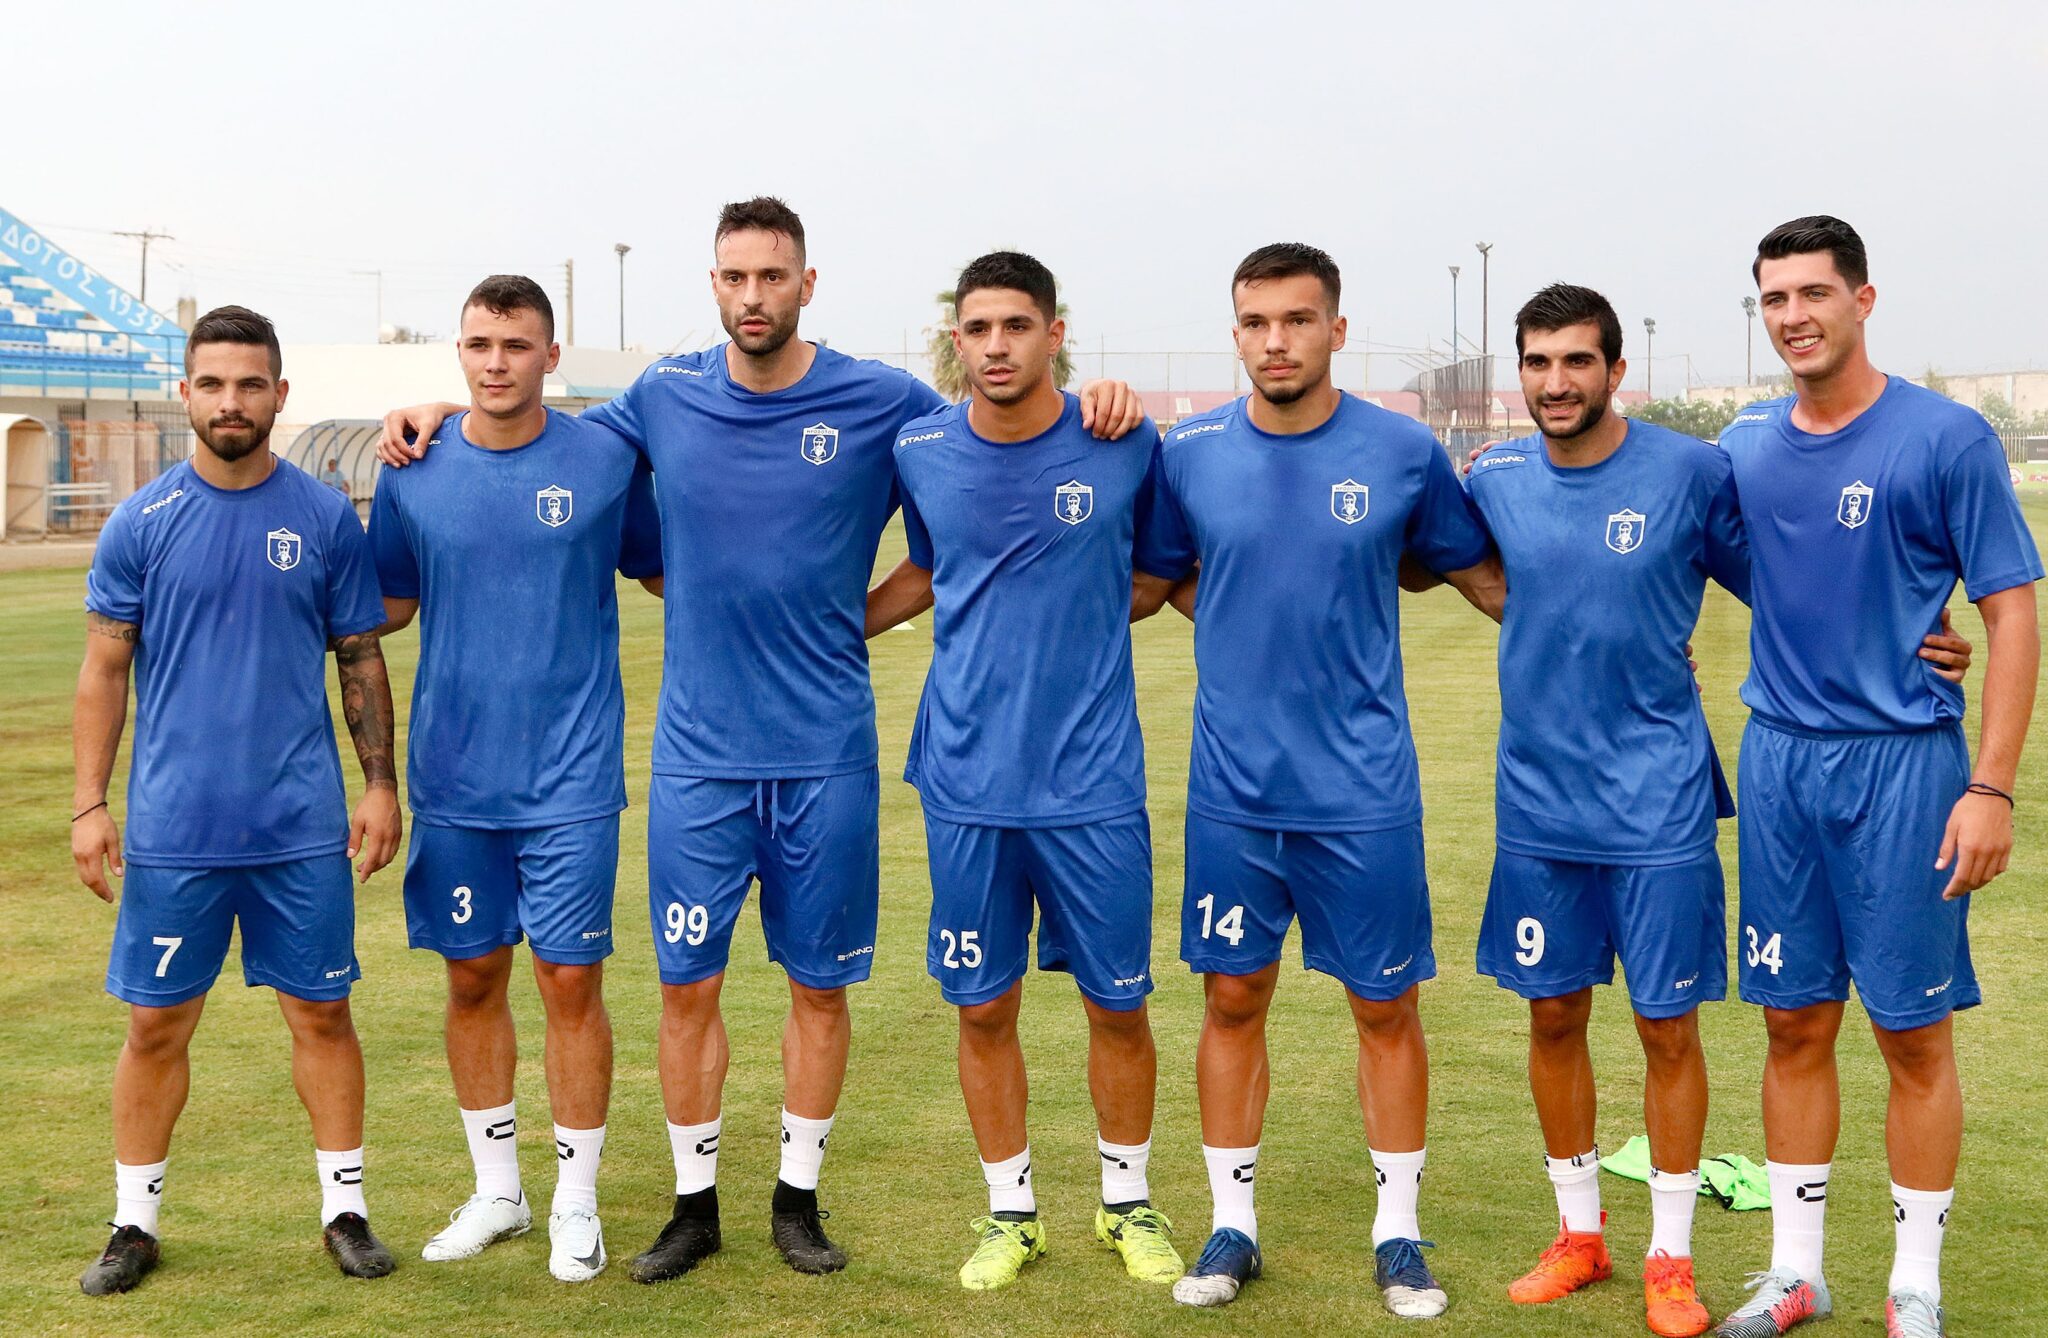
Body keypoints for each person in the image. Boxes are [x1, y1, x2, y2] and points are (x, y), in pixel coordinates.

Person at [373, 197, 1145, 1283]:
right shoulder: (663, 395)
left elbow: (983, 453)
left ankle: (796, 1199)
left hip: (827, 750)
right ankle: (693, 1208)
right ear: (713, 285)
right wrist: (442, 409)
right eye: (733, 277)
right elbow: (531, 422)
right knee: (687, 986)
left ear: (806, 285)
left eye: (771, 276)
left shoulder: (883, 402)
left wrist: (1098, 398)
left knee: (817, 987)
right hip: (697, 756)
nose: (751, 296)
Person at [1457, 284, 1975, 1338]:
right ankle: (1578, 1235)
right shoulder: (1493, 476)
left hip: (1658, 801)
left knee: (1666, 1025)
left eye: (1576, 360)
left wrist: (1915, 640)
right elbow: (1438, 559)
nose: (1555, 380)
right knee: (1551, 1015)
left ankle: (1671, 1257)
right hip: (1536, 803)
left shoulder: (1692, 471)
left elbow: (1792, 585)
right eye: (1537, 362)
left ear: (1615, 370)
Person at [1132, 243, 1504, 1317]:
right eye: (1255, 322)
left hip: (1362, 794)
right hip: (1233, 793)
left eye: (1297, 320)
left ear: (1336, 330)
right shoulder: (1189, 452)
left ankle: (1398, 1233)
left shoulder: (1400, 450)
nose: (1276, 341)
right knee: (1230, 997)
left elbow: (1482, 580)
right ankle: (1230, 1225)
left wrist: (1625, 644)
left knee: (1385, 1005)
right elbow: (1152, 581)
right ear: (1235, 333)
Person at [1712, 217, 2039, 1338]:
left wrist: (1989, 788)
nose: (1792, 316)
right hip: (1778, 767)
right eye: (1773, 298)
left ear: (1861, 299)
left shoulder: (1946, 438)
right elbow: (1730, 559)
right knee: (1792, 1025)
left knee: (1911, 1032)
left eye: (1812, 292)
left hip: (1904, 770)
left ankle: (1915, 1287)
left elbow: (2009, 611)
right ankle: (1794, 1273)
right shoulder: (1745, 445)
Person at [863, 251, 1182, 1291]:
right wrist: (834, 627)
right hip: (964, 780)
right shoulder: (920, 448)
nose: (995, 346)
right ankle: (1011, 1213)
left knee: (1117, 1004)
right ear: (955, 339)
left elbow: (1154, 578)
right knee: (981, 1005)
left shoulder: (1122, 440)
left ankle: (1126, 1203)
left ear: (1054, 333)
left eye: (1015, 326)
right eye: (977, 328)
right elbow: (928, 565)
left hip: (1091, 784)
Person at [71, 306, 402, 1294]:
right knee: (155, 1027)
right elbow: (104, 669)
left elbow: (359, 656)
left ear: (279, 394)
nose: (231, 401)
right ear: (186, 393)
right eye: (212, 383)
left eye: (250, 384)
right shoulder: (142, 524)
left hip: (299, 829)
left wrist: (380, 785)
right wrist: (89, 804)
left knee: (323, 1015)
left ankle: (345, 1211)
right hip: (176, 831)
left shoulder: (323, 517)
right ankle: (133, 1225)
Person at [367, 275, 662, 1282]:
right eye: (479, 345)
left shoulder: (605, 458)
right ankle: (499, 1192)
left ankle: (577, 1200)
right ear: (460, 352)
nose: (496, 362)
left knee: (570, 979)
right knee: (472, 976)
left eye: (516, 344)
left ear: (550, 354)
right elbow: (385, 607)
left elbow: (664, 568)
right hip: (455, 781)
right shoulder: (412, 467)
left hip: (571, 777)